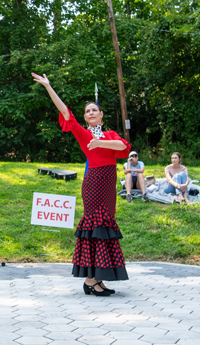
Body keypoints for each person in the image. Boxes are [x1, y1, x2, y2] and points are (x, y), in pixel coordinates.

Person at [32, 72, 131, 296]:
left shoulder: (110, 135)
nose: (90, 113)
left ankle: (97, 279)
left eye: (94, 110)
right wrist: (48, 86)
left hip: (108, 184)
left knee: (104, 228)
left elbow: (124, 147)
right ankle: (89, 280)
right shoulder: (84, 134)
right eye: (87, 111)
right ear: (85, 118)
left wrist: (101, 141)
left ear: (101, 114)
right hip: (94, 183)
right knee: (95, 228)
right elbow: (65, 111)